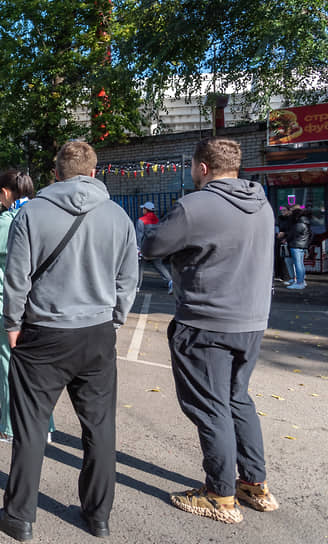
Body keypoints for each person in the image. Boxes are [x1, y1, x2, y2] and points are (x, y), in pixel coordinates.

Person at [0, 141, 137, 541]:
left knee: (31, 428)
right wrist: (115, 319)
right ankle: (98, 516)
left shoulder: (32, 213)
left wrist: (12, 323)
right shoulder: (118, 216)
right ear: (93, 173)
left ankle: (19, 516)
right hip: (97, 332)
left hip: (43, 333)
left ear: (55, 174)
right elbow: (128, 280)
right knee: (100, 428)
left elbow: (17, 277)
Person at [142, 137, 279, 524]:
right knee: (237, 399)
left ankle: (220, 495)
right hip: (251, 321)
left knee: (211, 406)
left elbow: (153, 245)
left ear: (202, 167)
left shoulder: (196, 205)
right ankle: (254, 483)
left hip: (206, 322)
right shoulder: (262, 203)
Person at [0, 171, 55, 443]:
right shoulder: (45, 215)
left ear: (5, 192)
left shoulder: (7, 220)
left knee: (9, 362)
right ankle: (46, 425)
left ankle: (9, 426)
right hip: (41, 298)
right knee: (38, 365)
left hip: (9, 298)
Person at [136, 202, 173, 293]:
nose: (142, 210)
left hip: (145, 248)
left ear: (146, 209)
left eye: (143, 208)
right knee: (159, 266)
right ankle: (171, 281)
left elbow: (139, 236)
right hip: (156, 248)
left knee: (140, 267)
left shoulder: (141, 220)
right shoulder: (157, 220)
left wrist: (138, 249)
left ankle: (137, 286)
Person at [284, 206, 311, 290]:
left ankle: (299, 283)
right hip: (302, 245)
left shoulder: (299, 224)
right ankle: (301, 281)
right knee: (301, 264)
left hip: (296, 245)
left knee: (298, 264)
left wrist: (286, 239)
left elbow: (292, 235)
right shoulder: (306, 223)